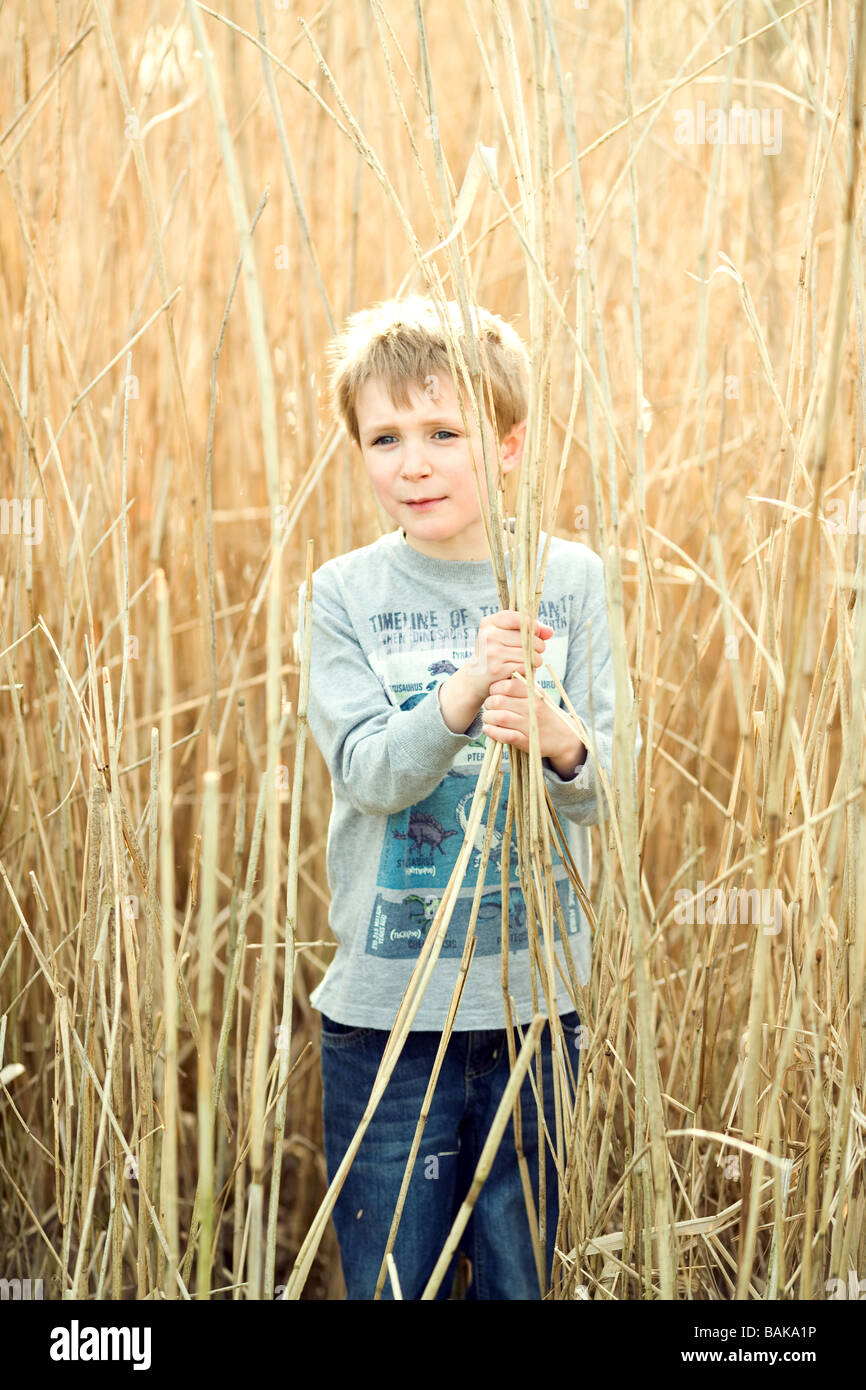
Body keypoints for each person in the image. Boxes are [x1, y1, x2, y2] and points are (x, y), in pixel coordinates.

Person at [294, 293, 640, 1299]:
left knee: (520, 1277)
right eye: (385, 438)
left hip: (536, 1011)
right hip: (387, 1021)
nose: (413, 463)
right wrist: (463, 692)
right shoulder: (343, 593)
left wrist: (559, 740)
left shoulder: (569, 579)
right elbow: (369, 772)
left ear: (508, 444)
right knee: (396, 1278)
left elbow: (607, 793)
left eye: (444, 432)